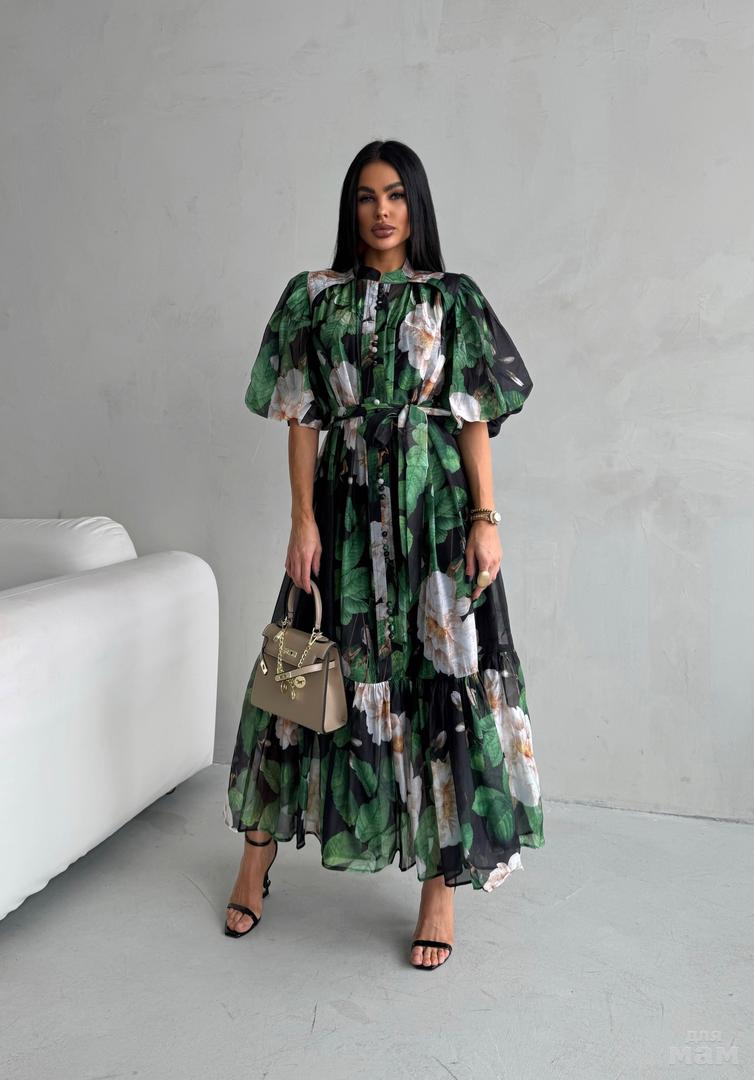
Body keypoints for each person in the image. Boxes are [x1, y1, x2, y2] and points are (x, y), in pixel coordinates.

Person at [223, 139, 544, 970]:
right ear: (351, 207)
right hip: (342, 511)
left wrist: (486, 517)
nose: (381, 211)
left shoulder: (452, 298)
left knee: (441, 683)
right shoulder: (315, 298)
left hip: (435, 516)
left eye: (396, 195)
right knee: (301, 675)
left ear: (417, 204)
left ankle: (440, 887)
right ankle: (255, 859)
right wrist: (302, 521)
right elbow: (302, 416)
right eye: (366, 196)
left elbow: (473, 415)